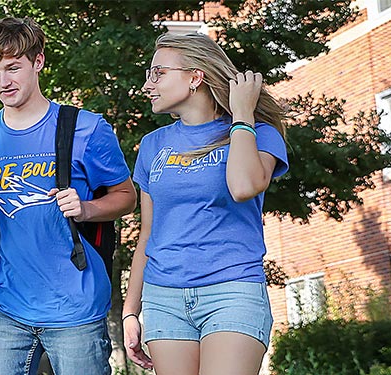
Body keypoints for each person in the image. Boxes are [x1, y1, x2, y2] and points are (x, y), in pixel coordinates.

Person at [0, 17, 137, 374]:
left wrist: (85, 208)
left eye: (12, 68)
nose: (3, 82)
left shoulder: (86, 127)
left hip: (75, 305)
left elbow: (127, 197)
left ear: (38, 62)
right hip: (3, 304)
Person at [121, 32, 289, 375]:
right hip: (164, 297)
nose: (147, 85)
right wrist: (130, 311)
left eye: (158, 73)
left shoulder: (259, 133)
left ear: (195, 77)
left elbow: (243, 186)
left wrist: (242, 113)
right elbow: (147, 235)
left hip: (232, 291)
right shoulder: (153, 146)